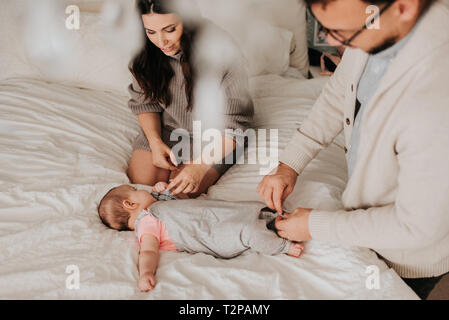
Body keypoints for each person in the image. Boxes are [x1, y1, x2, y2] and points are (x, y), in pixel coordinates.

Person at [257, 0, 449, 299]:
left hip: (408, 253)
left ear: (404, 6)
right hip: (367, 221)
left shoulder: (434, 98)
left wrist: (314, 224)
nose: (332, 42)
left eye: (342, 32)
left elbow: (417, 227)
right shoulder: (376, 23)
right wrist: (289, 164)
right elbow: (339, 92)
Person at [127, 0, 254, 198]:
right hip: (168, 130)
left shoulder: (221, 51)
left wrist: (199, 167)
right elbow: (145, 102)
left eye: (169, 29)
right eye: (151, 32)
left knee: (179, 196)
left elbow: (235, 127)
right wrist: (155, 141)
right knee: (142, 188)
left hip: (215, 138)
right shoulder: (145, 50)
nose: (161, 41)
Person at [98, 184, 304, 292]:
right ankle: (282, 246)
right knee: (244, 230)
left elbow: (186, 203)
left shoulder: (157, 205)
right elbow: (149, 251)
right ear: (129, 204)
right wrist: (145, 274)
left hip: (212, 215)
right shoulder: (146, 223)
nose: (142, 189)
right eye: (135, 190)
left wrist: (168, 192)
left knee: (247, 210)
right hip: (210, 234)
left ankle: (276, 222)